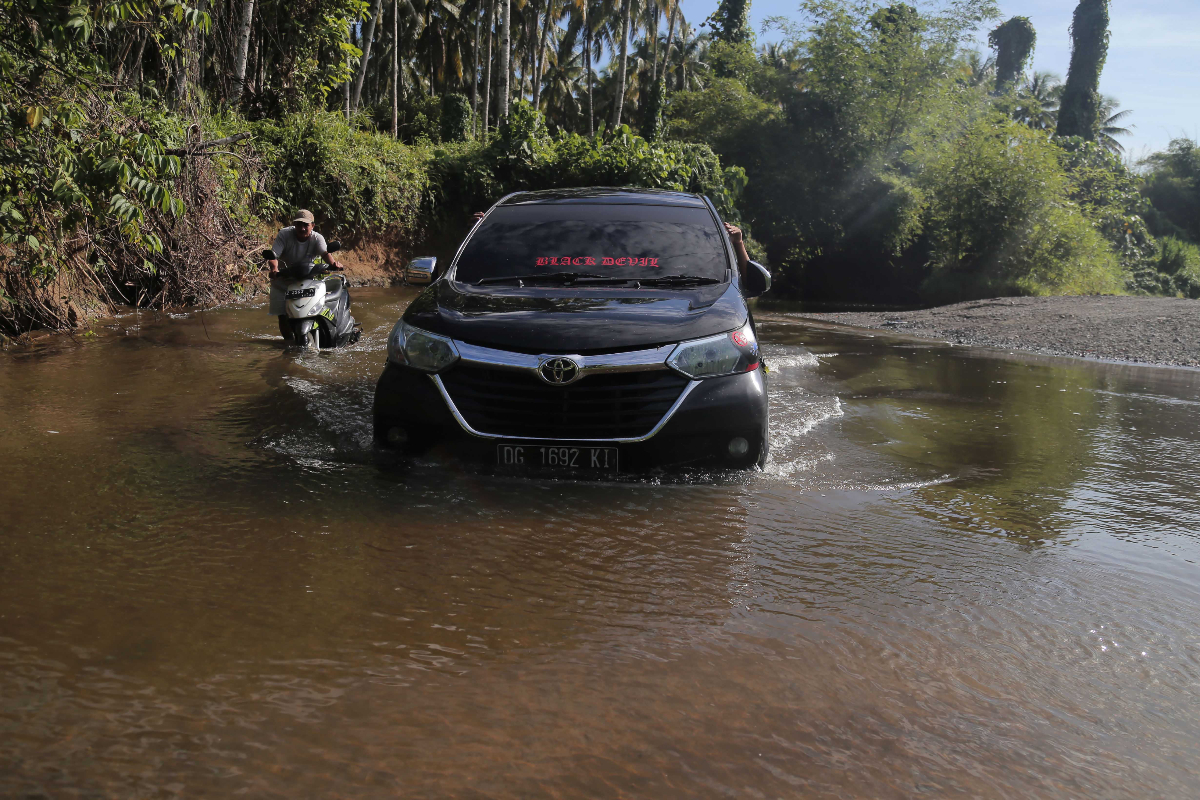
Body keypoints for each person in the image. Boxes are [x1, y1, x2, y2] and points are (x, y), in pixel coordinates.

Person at [267, 210, 343, 339]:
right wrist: (274, 269)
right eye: (298, 224)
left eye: (306, 225)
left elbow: (325, 253)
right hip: (284, 279)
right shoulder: (284, 234)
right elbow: (273, 255)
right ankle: (288, 342)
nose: (302, 228)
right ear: (294, 225)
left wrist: (333, 264)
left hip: (307, 280)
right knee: (283, 315)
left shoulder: (317, 238)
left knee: (315, 308)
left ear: (312, 226)